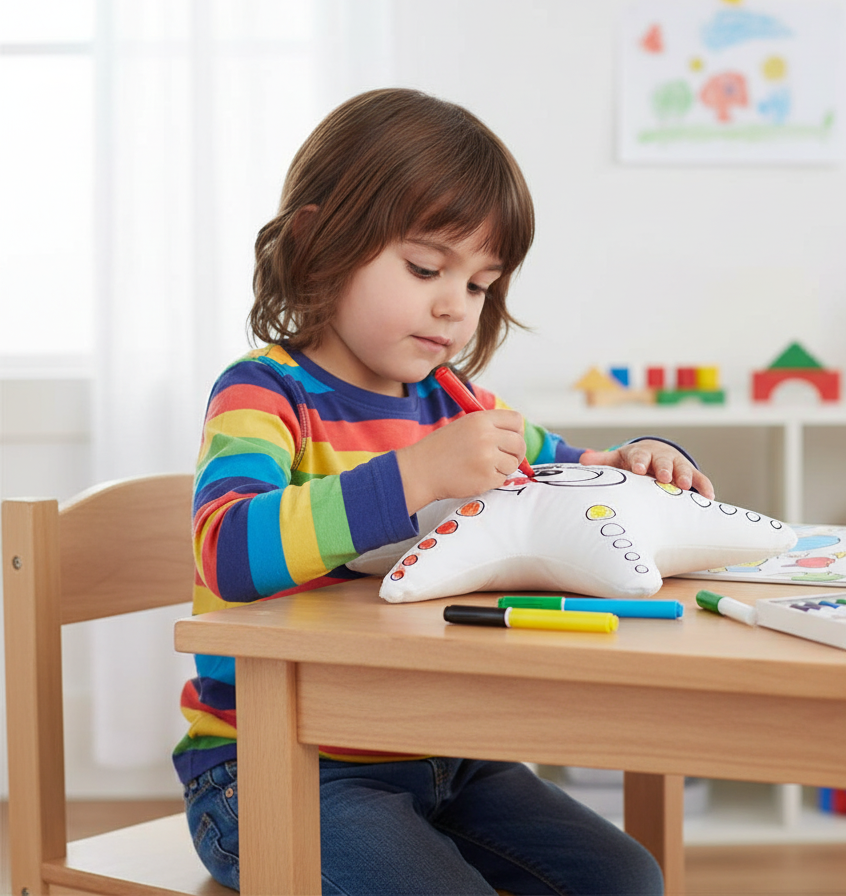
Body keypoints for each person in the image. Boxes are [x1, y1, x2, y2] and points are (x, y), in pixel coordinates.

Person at [175, 88, 713, 895]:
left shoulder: (462, 407)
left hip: (452, 756)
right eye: (426, 268)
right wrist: (413, 477)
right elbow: (228, 551)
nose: (453, 307)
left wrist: (642, 460)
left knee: (624, 880)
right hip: (277, 769)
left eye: (480, 285)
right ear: (318, 240)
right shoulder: (266, 396)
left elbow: (573, 477)